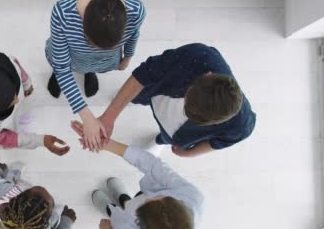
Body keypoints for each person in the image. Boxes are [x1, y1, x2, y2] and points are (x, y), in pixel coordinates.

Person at [72, 121, 202, 229]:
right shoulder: (193, 197)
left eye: (147, 202)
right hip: (142, 211)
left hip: (120, 225)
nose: (150, 197)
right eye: (160, 197)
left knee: (117, 215)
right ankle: (124, 198)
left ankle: (110, 208)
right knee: (134, 200)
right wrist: (107, 144)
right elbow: (153, 165)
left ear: (141, 224)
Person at [97, 43, 256, 157]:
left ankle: (159, 141)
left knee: (165, 137)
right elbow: (144, 74)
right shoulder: (198, 56)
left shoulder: (242, 126)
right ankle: (133, 100)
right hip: (156, 91)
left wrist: (189, 153)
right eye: (188, 97)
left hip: (175, 134)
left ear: (214, 123)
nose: (183, 106)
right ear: (207, 75)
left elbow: (219, 143)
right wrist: (110, 116)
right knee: (138, 96)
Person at [45, 0, 146, 151]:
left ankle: (89, 72)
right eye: (93, 44)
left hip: (105, 62)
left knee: (93, 66)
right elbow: (61, 64)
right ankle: (59, 75)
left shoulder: (137, 11)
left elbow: (134, 34)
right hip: (69, 58)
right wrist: (87, 117)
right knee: (60, 66)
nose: (96, 51)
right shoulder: (63, 13)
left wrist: (127, 57)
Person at [0, 50, 70, 156]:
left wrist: (26, 84)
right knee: (13, 126)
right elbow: (4, 140)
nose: (17, 100)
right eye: (9, 102)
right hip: (3, 125)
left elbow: (17, 67)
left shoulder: (5, 62)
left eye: (14, 94)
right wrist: (40, 140)